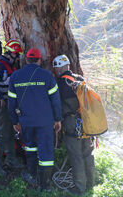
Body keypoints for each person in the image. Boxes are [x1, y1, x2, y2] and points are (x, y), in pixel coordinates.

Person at [8, 48, 62, 191]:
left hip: (25, 121)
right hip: (45, 121)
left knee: (30, 146)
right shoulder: (48, 76)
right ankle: (46, 185)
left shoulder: (15, 76)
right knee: (46, 151)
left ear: (26, 59)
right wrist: (58, 119)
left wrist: (15, 121)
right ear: (39, 60)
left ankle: (32, 175)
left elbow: (11, 103)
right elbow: (56, 100)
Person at [53, 55, 95, 195]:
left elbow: (57, 104)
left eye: (56, 67)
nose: (55, 70)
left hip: (71, 122)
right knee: (87, 153)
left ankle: (79, 187)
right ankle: (90, 182)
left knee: (76, 155)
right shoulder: (80, 79)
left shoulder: (60, 83)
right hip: (86, 121)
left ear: (60, 67)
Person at [0, 40, 25, 175]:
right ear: (8, 54)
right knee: (2, 133)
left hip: (7, 103)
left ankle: (11, 160)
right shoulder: (0, 66)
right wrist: (0, 96)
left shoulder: (10, 66)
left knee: (10, 131)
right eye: (16, 54)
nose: (18, 58)